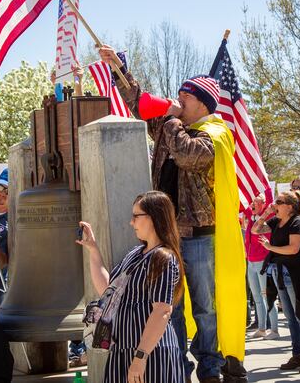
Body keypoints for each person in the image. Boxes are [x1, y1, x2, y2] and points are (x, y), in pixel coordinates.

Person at [108, 45, 247, 382]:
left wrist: (170, 118)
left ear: (201, 102)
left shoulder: (215, 135)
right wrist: (120, 71)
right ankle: (179, 366)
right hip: (169, 237)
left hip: (200, 238)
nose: (178, 99)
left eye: (185, 96)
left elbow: (186, 155)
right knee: (171, 307)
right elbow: (141, 105)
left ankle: (210, 366)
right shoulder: (174, 127)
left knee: (205, 306)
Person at [77, 191, 186, 383]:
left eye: (136, 216)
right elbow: (108, 291)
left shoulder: (163, 258)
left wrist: (140, 357)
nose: (131, 222)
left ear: (153, 217)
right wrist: (93, 250)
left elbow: (162, 310)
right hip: (123, 350)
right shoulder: (136, 253)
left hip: (151, 355)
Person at [253, 190, 300, 373]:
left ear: (290, 206)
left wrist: (269, 247)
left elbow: (293, 249)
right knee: (291, 317)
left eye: (279, 201)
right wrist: (266, 213)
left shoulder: (297, 221)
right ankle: (298, 354)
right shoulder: (276, 221)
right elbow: (255, 229)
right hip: (281, 271)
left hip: (296, 272)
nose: (276, 204)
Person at [243, 195, 279, 340]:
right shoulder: (252, 217)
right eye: (252, 202)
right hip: (251, 261)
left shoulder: (268, 218)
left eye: (256, 202)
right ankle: (262, 328)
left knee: (267, 296)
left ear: (264, 204)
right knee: (257, 297)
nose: (252, 204)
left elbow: (259, 232)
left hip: (263, 261)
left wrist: (263, 213)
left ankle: (274, 330)